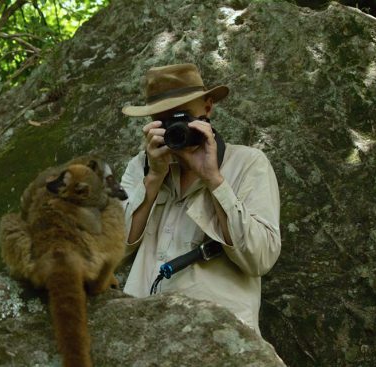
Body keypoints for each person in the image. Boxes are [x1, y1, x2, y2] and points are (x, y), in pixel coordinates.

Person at [120, 63, 281, 335]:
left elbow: (260, 258)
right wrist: (153, 179)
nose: (177, 129)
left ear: (208, 108)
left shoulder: (248, 164)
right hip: (143, 332)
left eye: (183, 117)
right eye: (167, 121)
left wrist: (214, 180)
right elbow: (112, 251)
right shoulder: (141, 166)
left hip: (218, 336)